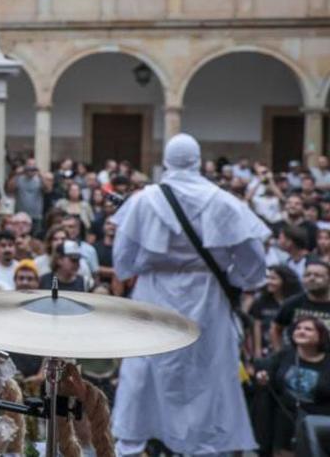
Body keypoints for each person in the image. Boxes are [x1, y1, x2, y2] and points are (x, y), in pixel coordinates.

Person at [110, 133, 268, 456]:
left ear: (165, 161)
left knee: (145, 374)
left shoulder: (143, 200)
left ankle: (132, 445)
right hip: (207, 296)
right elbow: (254, 262)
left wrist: (154, 263)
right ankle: (205, 449)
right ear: (199, 161)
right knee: (206, 375)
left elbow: (122, 262)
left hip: (154, 293)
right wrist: (232, 277)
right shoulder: (224, 202)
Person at [253, 315, 330, 457]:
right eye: (298, 328)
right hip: (285, 422)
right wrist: (262, 377)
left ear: (321, 335)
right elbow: (266, 373)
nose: (301, 331)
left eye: (308, 329)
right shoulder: (285, 355)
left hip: (319, 425)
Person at [271, 260, 330, 352]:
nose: (312, 278)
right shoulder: (293, 303)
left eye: (318, 275)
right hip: (297, 360)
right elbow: (276, 328)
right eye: (307, 275)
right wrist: (279, 354)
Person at [251, 265, 302, 359]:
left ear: (285, 281)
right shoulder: (261, 301)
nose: (269, 282)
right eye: (267, 278)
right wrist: (257, 351)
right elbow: (257, 326)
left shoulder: (295, 302)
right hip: (267, 349)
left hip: (292, 348)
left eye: (273, 278)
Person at [6, 159, 45, 234]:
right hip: (20, 216)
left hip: (36, 216)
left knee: (36, 237)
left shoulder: (39, 179)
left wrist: (40, 174)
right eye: (29, 166)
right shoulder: (19, 179)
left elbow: (48, 189)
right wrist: (16, 174)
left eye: (33, 166)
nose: (31, 169)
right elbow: (9, 190)